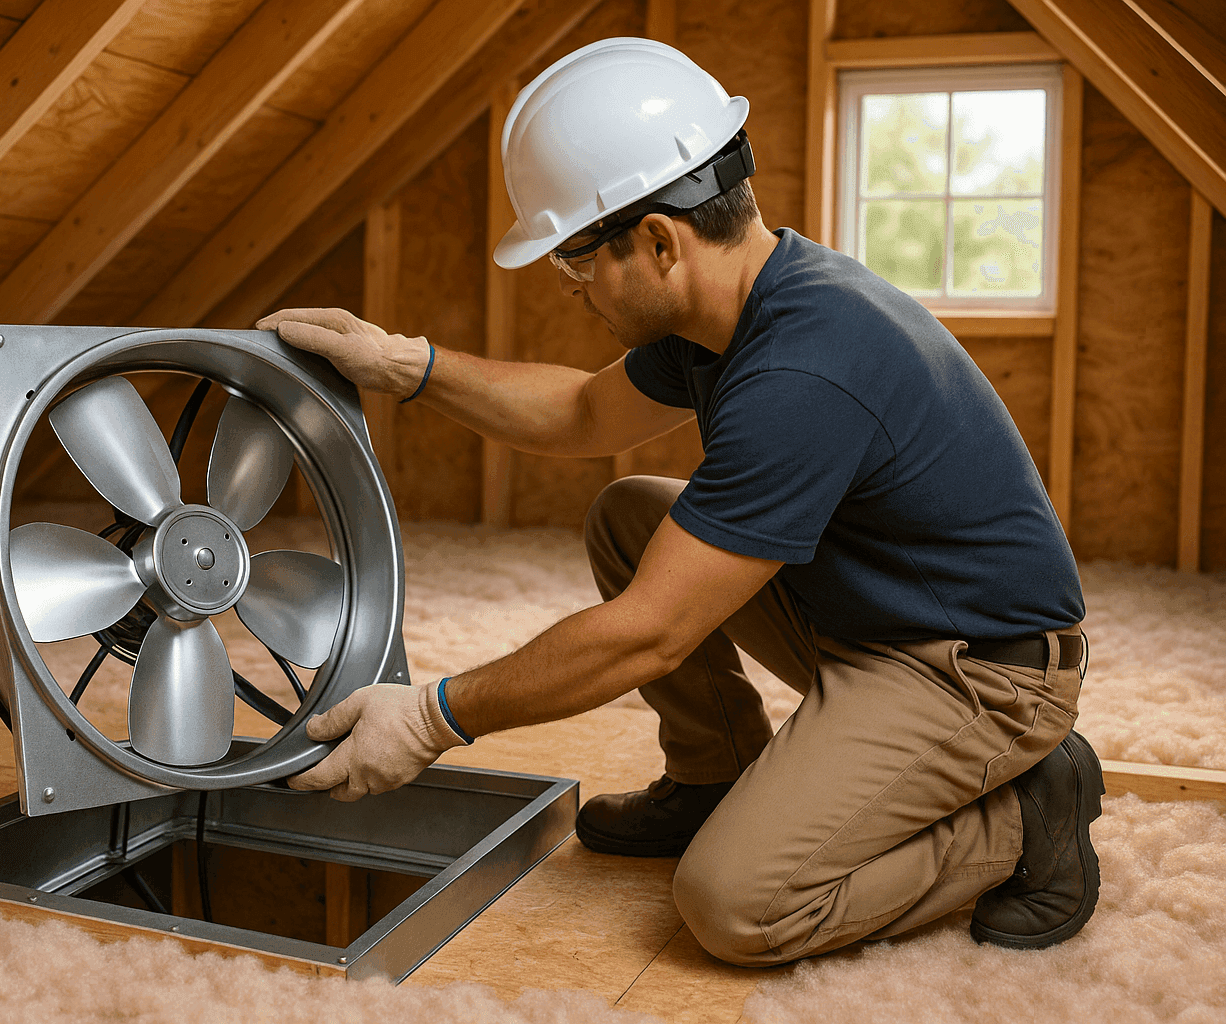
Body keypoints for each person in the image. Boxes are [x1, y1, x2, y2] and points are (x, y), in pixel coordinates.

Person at [257, 38, 1102, 965]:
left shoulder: (801, 370)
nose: (571, 283)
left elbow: (646, 635)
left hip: (979, 673)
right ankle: (714, 775)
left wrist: (431, 718)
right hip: (875, 610)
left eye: (575, 257)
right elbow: (582, 409)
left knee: (736, 904)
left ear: (659, 239)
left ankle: (1026, 814)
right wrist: (403, 363)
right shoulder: (735, 308)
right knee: (631, 514)